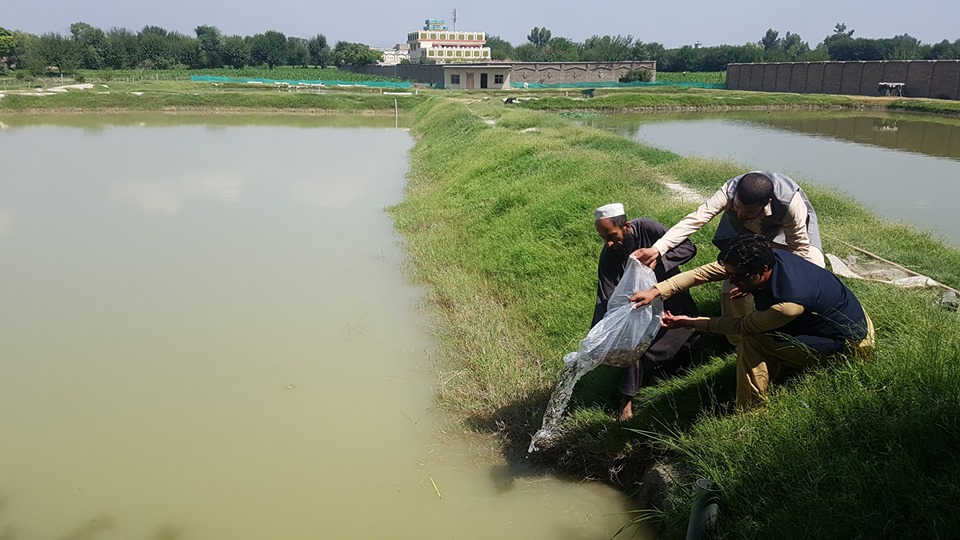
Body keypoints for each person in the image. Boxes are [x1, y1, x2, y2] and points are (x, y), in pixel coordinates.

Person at [630, 234, 874, 409]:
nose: (732, 282)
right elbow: (701, 274)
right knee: (762, 331)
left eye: (738, 277)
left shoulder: (788, 304)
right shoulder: (769, 257)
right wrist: (656, 291)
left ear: (763, 269)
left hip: (847, 346)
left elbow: (739, 326)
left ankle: (749, 413)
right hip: (851, 315)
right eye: (730, 275)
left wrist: (690, 322)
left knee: (753, 340)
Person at [630, 171, 825, 343]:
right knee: (732, 283)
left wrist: (780, 279)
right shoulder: (730, 191)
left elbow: (799, 248)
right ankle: (741, 339)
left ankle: (799, 328)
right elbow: (697, 219)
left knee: (813, 272)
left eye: (747, 211)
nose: (739, 214)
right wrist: (658, 249)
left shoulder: (790, 203)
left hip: (786, 237)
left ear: (767, 204)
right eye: (736, 207)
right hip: (749, 235)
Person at [593, 203, 701, 421]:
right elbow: (606, 296)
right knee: (633, 346)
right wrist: (600, 334)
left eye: (613, 236)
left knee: (692, 331)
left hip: (672, 296)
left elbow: (688, 247)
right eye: (604, 239)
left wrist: (658, 257)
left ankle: (681, 377)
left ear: (627, 226)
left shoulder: (648, 228)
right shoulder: (609, 256)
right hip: (639, 306)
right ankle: (627, 399)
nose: (610, 243)